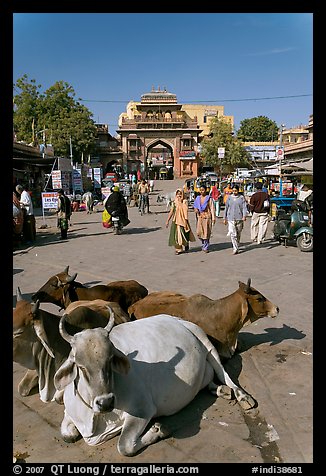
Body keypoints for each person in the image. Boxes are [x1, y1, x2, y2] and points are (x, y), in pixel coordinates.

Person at [166, 189, 195, 255]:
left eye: (180, 194)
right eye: (178, 194)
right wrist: (167, 220)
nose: (179, 195)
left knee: (184, 234)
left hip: (183, 220)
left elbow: (185, 211)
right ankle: (178, 249)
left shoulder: (185, 202)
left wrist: (186, 220)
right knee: (176, 235)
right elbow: (171, 212)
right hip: (175, 221)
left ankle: (186, 244)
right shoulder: (174, 202)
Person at [223, 185, 247, 255]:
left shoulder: (241, 198)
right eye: (233, 191)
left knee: (238, 233)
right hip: (231, 218)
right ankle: (235, 248)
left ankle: (237, 244)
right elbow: (226, 208)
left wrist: (244, 215)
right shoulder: (229, 198)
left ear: (238, 190)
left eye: (235, 191)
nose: (234, 192)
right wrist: (225, 218)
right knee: (233, 234)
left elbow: (244, 207)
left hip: (239, 218)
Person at [193, 185, 216, 253]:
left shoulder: (209, 198)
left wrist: (213, 218)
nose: (201, 191)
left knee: (206, 232)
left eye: (203, 190)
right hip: (200, 217)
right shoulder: (197, 198)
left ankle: (205, 246)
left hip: (207, 217)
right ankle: (203, 243)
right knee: (199, 232)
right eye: (200, 190)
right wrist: (196, 210)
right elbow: (195, 206)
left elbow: (212, 208)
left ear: (206, 190)